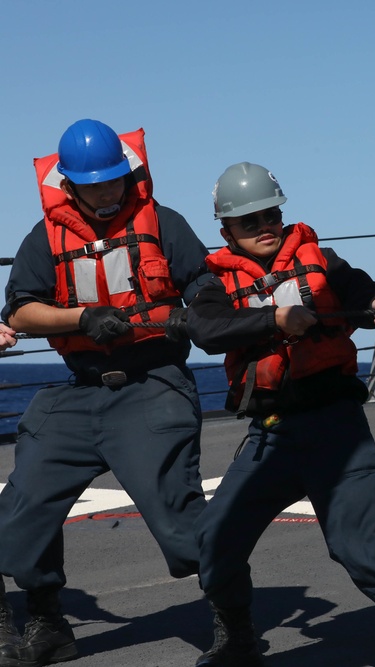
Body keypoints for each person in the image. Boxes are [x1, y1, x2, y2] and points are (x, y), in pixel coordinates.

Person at [185, 162, 375, 667]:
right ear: (226, 232)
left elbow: (358, 289)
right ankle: (238, 638)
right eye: (249, 221)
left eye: (270, 215)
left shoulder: (322, 260)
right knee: (216, 536)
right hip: (271, 433)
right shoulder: (215, 285)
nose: (264, 227)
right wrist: (273, 318)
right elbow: (207, 329)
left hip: (335, 427)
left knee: (359, 543)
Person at [0, 119, 209, 666]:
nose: (108, 191)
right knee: (23, 507)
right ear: (67, 185)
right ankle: (47, 623)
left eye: (115, 179)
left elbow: (206, 282)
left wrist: (197, 312)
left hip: (154, 383)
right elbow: (21, 308)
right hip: (81, 389)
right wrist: (82, 317)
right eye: (94, 184)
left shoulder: (162, 221)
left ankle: (234, 626)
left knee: (184, 530)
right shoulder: (44, 236)